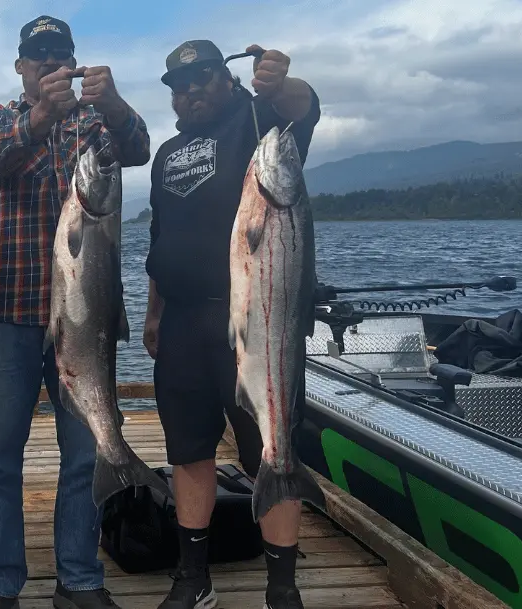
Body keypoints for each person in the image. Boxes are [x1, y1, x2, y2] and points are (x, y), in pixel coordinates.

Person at [0, 15, 151, 609]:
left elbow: (139, 148)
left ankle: (79, 578)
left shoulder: (96, 122)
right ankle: (1, 580)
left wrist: (115, 105)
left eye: (59, 55)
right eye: (38, 55)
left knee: (84, 451)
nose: (49, 64)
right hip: (8, 314)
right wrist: (41, 116)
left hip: (87, 320)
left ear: (73, 62)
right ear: (19, 65)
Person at [143, 40, 321, 609]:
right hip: (180, 322)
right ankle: (193, 578)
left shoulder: (259, 124)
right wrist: (153, 311)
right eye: (179, 83)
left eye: (202, 78)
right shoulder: (167, 152)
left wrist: (278, 84)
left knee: (271, 447)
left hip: (253, 317)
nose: (190, 90)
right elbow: (159, 239)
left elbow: (304, 107)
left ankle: (282, 588)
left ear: (227, 79)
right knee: (188, 451)